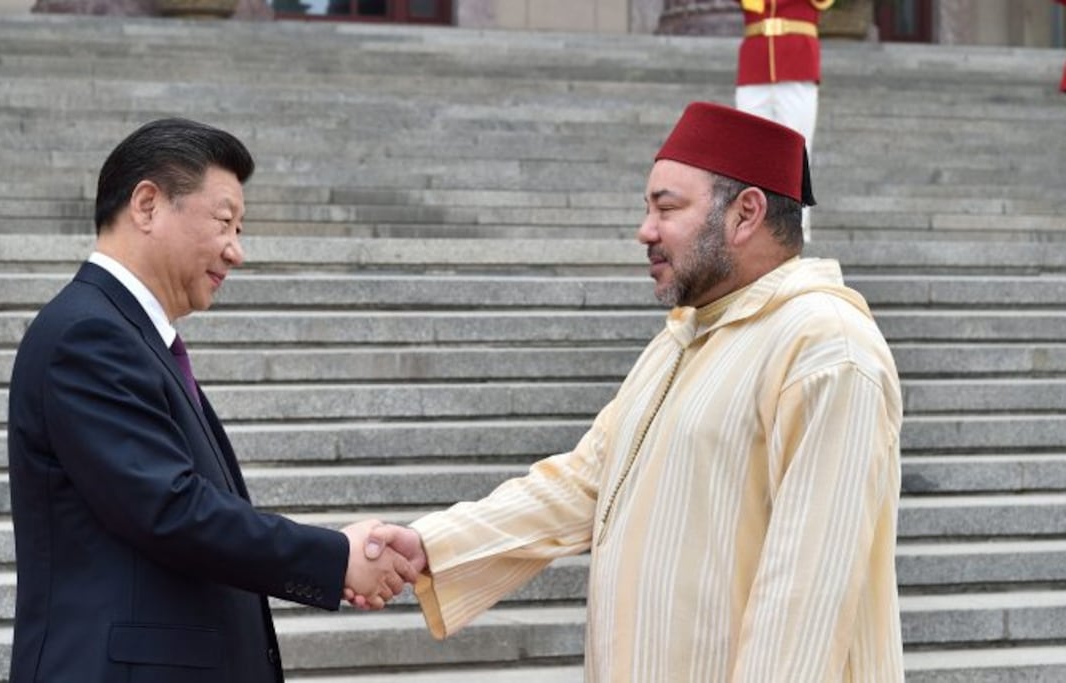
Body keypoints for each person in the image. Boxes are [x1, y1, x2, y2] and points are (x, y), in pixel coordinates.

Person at [359, 102, 905, 681]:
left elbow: (807, 589)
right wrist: (430, 546)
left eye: (666, 208)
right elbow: (583, 484)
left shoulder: (827, 348)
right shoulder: (685, 337)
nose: (645, 231)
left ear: (746, 213)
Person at [7, 117, 416, 682]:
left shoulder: (129, 335)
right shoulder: (88, 335)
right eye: (225, 222)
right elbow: (170, 509)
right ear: (147, 205)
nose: (236, 251)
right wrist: (335, 557)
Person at [735, 0, 835, 241]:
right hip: (755, 64)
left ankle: (796, 232)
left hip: (796, 62)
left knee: (795, 154)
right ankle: (754, 231)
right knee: (749, 157)